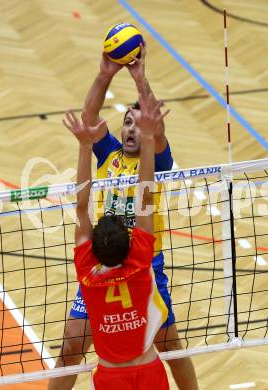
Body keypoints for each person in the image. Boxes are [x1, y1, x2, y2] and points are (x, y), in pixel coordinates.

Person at [49, 45, 198, 390]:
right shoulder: (109, 153)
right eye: (126, 123)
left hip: (144, 264)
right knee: (71, 348)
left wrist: (141, 79)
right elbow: (88, 121)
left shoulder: (157, 160)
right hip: (103, 262)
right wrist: (104, 75)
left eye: (136, 123)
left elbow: (155, 131)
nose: (132, 129)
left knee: (169, 346)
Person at [64, 92, 170, 389]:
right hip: (148, 371)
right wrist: (149, 137)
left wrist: (84, 146)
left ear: (94, 247)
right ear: (131, 239)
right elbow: (145, 199)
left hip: (111, 377)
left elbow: (82, 207)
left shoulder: (88, 273)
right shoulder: (141, 263)